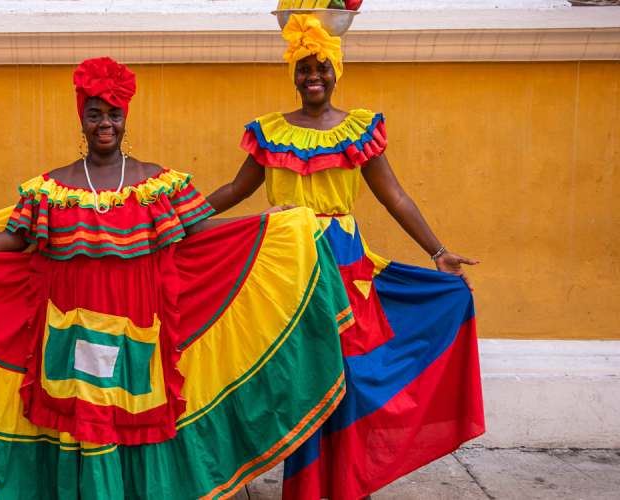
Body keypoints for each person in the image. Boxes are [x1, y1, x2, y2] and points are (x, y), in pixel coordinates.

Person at [0, 57, 352, 500]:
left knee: (134, 408)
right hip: (68, 320)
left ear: (126, 117)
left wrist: (269, 221)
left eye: (114, 114)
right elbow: (11, 240)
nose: (105, 123)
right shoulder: (51, 186)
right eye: (95, 114)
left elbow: (201, 228)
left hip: (138, 316)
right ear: (81, 119)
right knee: (83, 413)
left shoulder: (158, 182)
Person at [205, 14, 486, 500]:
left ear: (337, 72)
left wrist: (438, 252)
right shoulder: (271, 132)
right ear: (293, 75)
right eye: (304, 68)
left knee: (348, 368)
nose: (313, 76)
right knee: (301, 369)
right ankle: (307, 484)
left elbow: (394, 196)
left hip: (342, 261)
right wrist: (177, 219)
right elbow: (235, 190)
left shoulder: (359, 130)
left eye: (322, 67)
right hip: (286, 262)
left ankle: (342, 479)